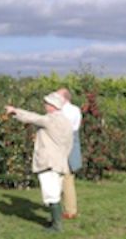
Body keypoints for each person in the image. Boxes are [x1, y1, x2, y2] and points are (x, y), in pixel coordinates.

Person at [5, 92, 73, 233]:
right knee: (55, 193)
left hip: (48, 162)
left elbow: (32, 117)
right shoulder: (66, 121)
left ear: (52, 106)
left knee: (51, 195)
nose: (45, 105)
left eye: (47, 103)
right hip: (60, 162)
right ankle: (55, 221)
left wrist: (14, 111)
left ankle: (56, 226)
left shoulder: (50, 120)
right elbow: (69, 145)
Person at [57, 87, 82, 220]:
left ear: (64, 98)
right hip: (71, 142)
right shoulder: (76, 109)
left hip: (65, 143)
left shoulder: (64, 111)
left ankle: (70, 210)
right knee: (67, 177)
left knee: (66, 178)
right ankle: (67, 208)